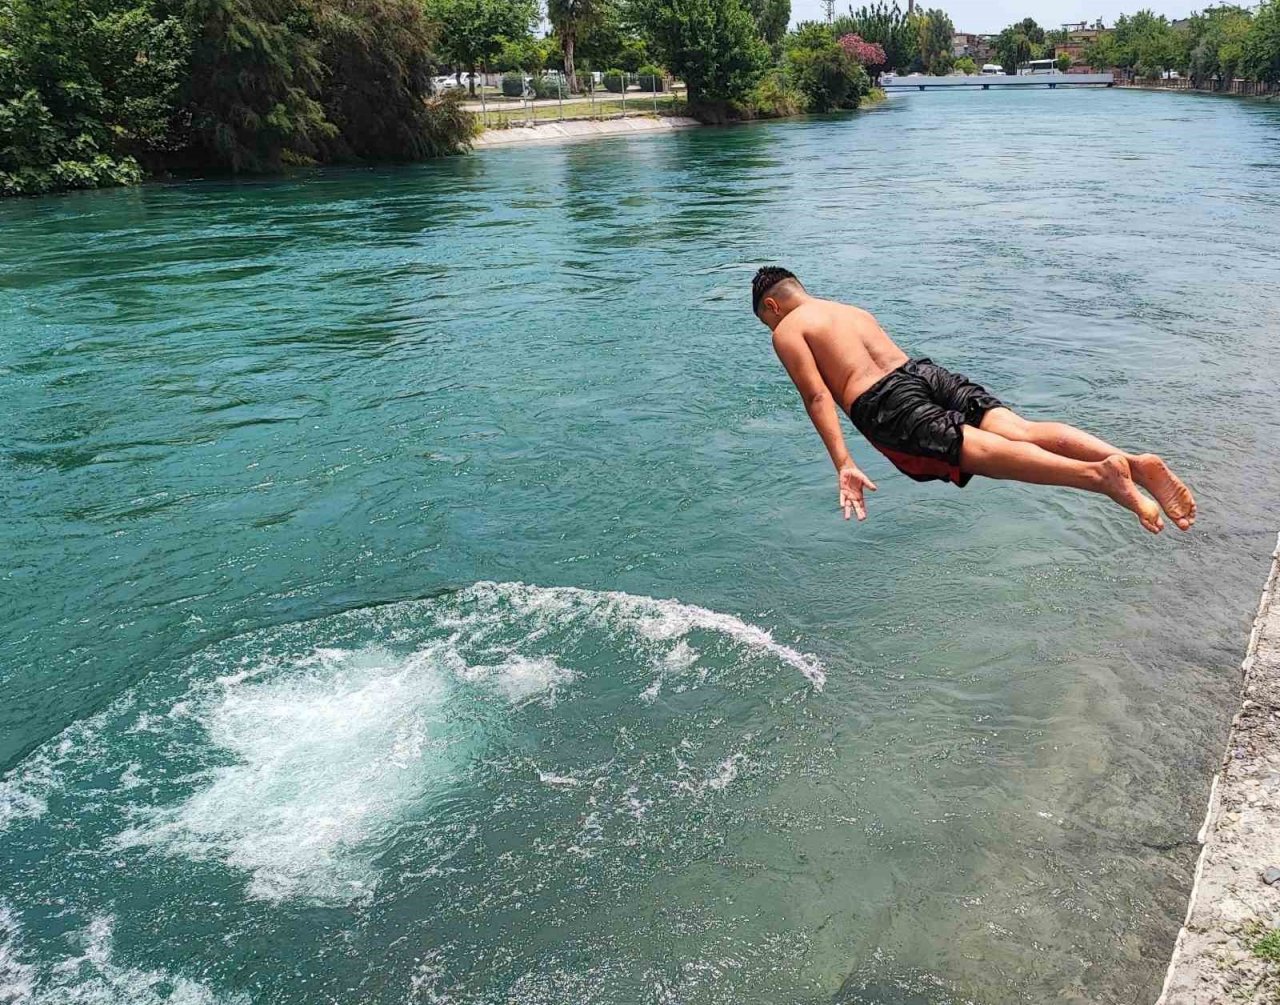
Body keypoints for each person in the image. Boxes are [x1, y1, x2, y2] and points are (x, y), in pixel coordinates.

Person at [752, 266, 1196, 534]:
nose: (773, 330)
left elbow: (817, 395)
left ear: (773, 306)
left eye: (767, 322)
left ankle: (1099, 476)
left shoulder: (789, 328)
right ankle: (1132, 463)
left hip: (885, 400)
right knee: (1021, 430)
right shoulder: (850, 310)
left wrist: (844, 463)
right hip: (923, 373)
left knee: (978, 452)